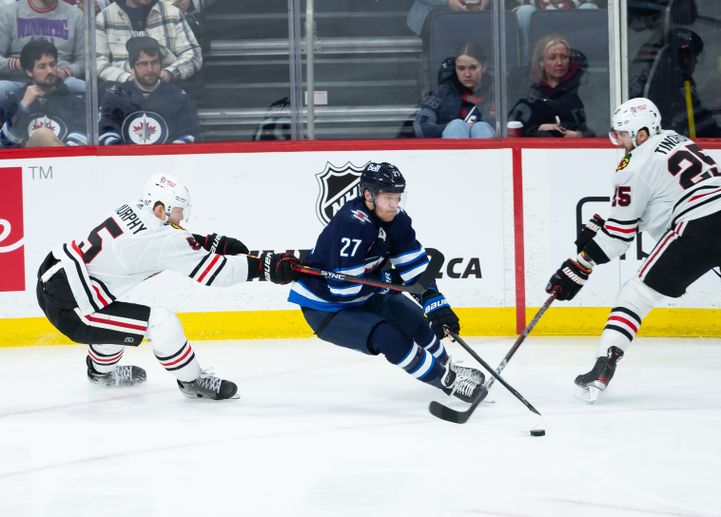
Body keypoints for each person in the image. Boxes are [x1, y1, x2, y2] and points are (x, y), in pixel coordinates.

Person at [544, 97, 721, 403]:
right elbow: (662, 204)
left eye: (623, 134)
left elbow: (617, 238)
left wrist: (580, 263)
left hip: (700, 227)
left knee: (634, 294)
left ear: (641, 134)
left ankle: (603, 365)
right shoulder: (677, 140)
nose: (619, 141)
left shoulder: (631, 165)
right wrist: (612, 227)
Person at [35, 173, 297, 400]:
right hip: (75, 306)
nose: (182, 216)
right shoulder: (166, 239)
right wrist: (265, 268)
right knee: (161, 322)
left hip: (55, 277)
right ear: (160, 208)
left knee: (112, 321)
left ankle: (98, 373)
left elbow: (158, 241)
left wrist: (207, 242)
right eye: (178, 209)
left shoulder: (134, 207)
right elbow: (215, 273)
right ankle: (192, 382)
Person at [283, 162, 487, 403]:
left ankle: (447, 365)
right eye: (388, 197)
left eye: (398, 197)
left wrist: (433, 299)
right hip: (327, 307)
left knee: (416, 321)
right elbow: (345, 290)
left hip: (366, 294)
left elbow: (415, 266)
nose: (394, 204)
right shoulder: (350, 224)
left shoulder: (398, 220)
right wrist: (387, 278)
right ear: (369, 195)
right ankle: (446, 381)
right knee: (388, 337)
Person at [99, 36, 198, 144]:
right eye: (143, 64)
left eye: (154, 62)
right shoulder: (116, 96)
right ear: (132, 67)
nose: (150, 69)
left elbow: (189, 133)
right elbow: (106, 131)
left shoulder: (178, 96)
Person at [643, 27, 721, 138]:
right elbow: (700, 121)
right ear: (684, 57)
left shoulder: (647, 78)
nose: (696, 62)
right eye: (695, 56)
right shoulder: (680, 84)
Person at [0, 39, 87, 146]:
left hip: (63, 159)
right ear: (29, 72)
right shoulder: (13, 100)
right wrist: (23, 107)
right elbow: (4, 144)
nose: (50, 71)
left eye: (52, 64)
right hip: (26, 160)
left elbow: (80, 143)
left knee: (43, 135)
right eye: (42, 66)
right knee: (42, 134)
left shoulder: (75, 101)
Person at [95, 0, 202, 84]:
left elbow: (193, 55)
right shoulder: (103, 18)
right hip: (122, 89)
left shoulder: (172, 13)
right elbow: (98, 62)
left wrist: (169, 73)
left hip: (167, 86)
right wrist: (127, 78)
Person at [508, 33, 590, 137]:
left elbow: (599, 130)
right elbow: (513, 132)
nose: (559, 63)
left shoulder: (583, 88)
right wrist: (538, 129)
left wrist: (579, 135)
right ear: (541, 62)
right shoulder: (528, 94)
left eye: (564, 57)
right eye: (552, 58)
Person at [0, 0, 86, 100]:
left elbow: (84, 60)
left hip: (60, 82)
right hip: (18, 81)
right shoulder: (8, 13)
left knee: (87, 89)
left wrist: (66, 72)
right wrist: (18, 64)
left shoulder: (76, 15)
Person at [413, 42, 495, 139]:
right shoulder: (442, 93)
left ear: (484, 67)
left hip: (493, 150)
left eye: (473, 67)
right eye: (461, 68)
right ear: (455, 69)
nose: (467, 74)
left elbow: (513, 126)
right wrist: (451, 128)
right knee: (457, 126)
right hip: (448, 151)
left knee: (481, 128)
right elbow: (420, 127)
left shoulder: (497, 92)